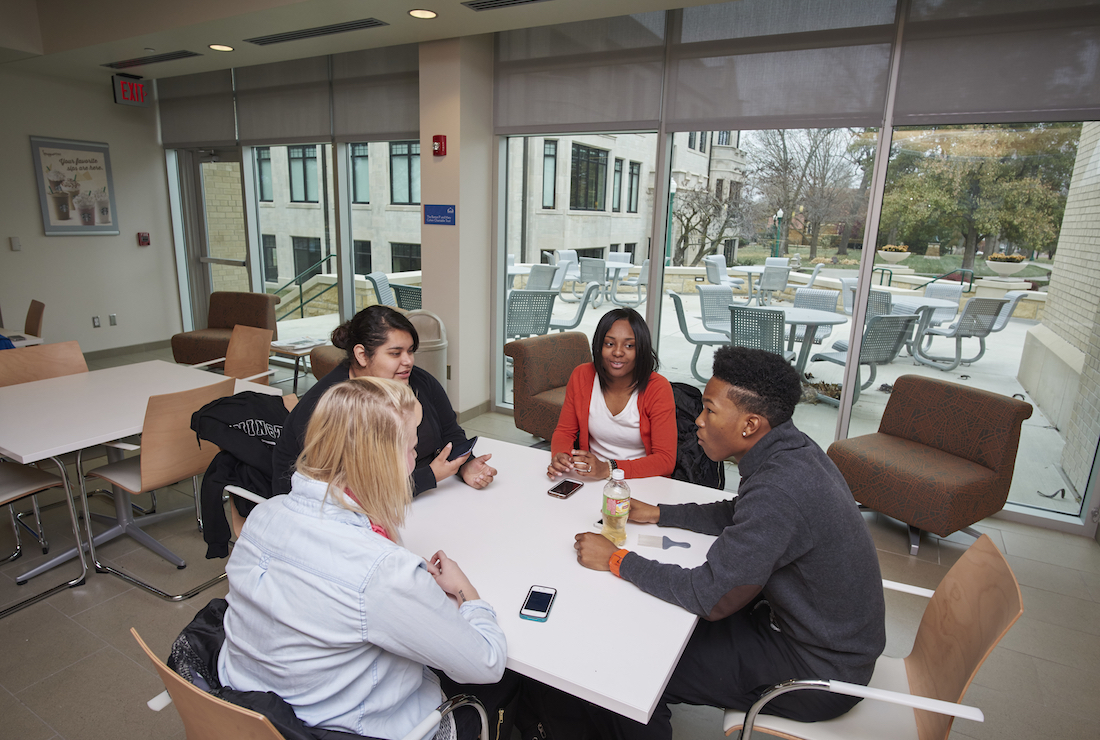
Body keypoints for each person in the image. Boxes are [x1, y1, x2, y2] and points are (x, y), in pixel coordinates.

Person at [572, 345, 886, 739]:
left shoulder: (780, 489)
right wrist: (659, 514)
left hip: (817, 670)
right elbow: (740, 512)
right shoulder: (792, 450)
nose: (698, 422)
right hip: (811, 631)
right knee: (654, 626)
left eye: (709, 410)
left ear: (750, 424)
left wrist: (617, 559)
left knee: (636, 669)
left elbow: (711, 596)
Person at [220, 377, 508, 739]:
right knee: (512, 685)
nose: (414, 462)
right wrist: (466, 591)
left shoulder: (265, 515)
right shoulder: (383, 572)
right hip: (350, 726)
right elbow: (487, 662)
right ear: (379, 461)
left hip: (255, 711)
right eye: (411, 450)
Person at [273, 305, 496, 497]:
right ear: (361, 355)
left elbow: (450, 432)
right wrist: (429, 477)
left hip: (422, 498)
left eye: (410, 351)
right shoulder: (329, 405)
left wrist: (465, 465)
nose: (408, 361)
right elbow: (350, 494)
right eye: (395, 353)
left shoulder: (419, 381)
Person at [547, 308, 675, 481]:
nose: (618, 352)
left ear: (641, 350)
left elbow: (665, 460)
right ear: (599, 345)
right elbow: (564, 431)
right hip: (591, 476)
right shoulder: (582, 376)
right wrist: (561, 456)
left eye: (629, 345)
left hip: (643, 478)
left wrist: (609, 468)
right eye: (609, 343)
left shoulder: (658, 387)